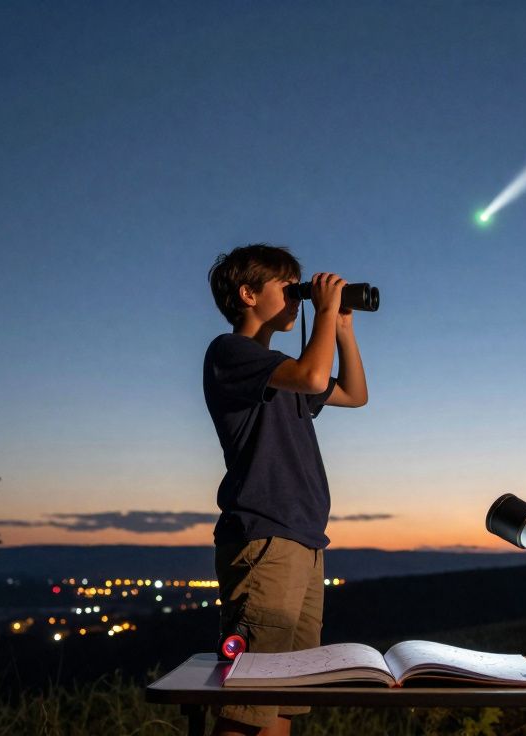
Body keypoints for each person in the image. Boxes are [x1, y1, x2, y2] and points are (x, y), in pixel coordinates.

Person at [202, 243, 368, 736]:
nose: (298, 300)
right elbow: (314, 374)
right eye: (288, 289)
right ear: (248, 294)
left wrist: (340, 329)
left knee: (282, 702)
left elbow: (354, 395)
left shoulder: (281, 373)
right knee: (248, 706)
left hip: (302, 542)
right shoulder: (231, 353)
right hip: (264, 540)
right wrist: (321, 311)